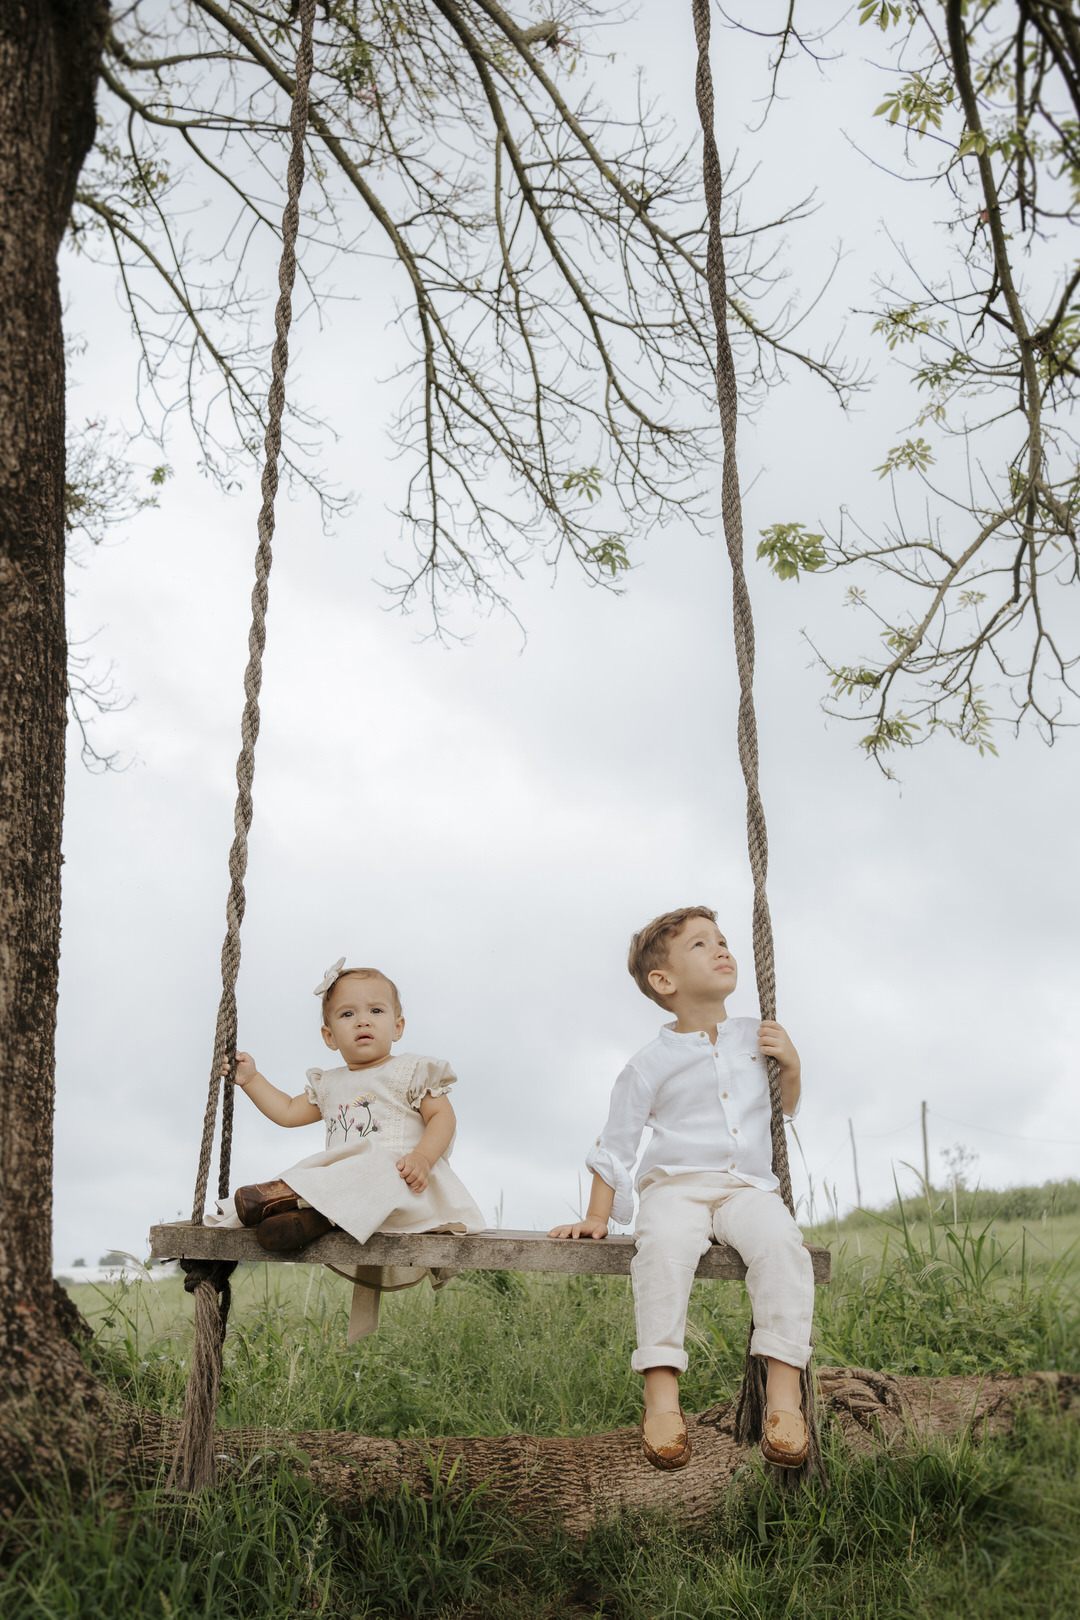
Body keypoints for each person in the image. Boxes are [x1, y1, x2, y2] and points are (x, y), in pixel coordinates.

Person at [549, 906, 813, 1471]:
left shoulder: (757, 1036)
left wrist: (789, 1064)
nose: (722, 949)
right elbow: (615, 1144)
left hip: (747, 1188)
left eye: (722, 940)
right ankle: (662, 1396)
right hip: (676, 1188)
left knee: (783, 1248)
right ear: (663, 982)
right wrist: (599, 1215)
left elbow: (780, 1111)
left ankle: (784, 1398)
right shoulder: (649, 1064)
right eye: (701, 945)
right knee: (663, 1253)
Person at [206, 958, 486, 1340]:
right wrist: (251, 1079)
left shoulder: (410, 1071)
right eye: (347, 1014)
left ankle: (287, 1198)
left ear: (398, 1026)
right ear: (329, 1036)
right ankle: (307, 1218)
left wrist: (423, 1157)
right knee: (324, 1169)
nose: (363, 1021)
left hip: (404, 1188)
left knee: (373, 1165)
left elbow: (443, 1118)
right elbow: (288, 1112)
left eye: (376, 1010)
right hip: (350, 1201)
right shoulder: (330, 1083)